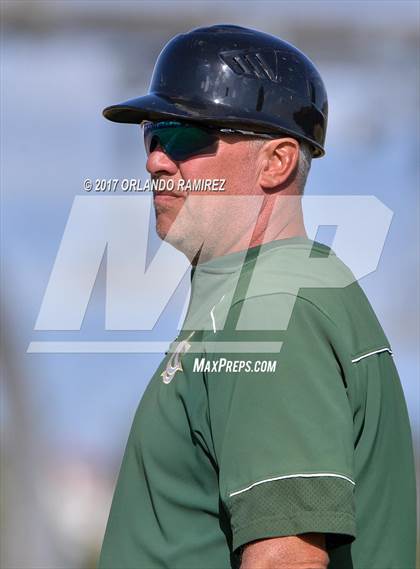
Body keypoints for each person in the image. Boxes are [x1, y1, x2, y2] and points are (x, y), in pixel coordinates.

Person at [98, 24, 416, 569]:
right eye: (153, 133)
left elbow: (285, 559)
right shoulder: (262, 300)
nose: (155, 160)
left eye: (185, 135)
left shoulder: (273, 310)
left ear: (276, 161)